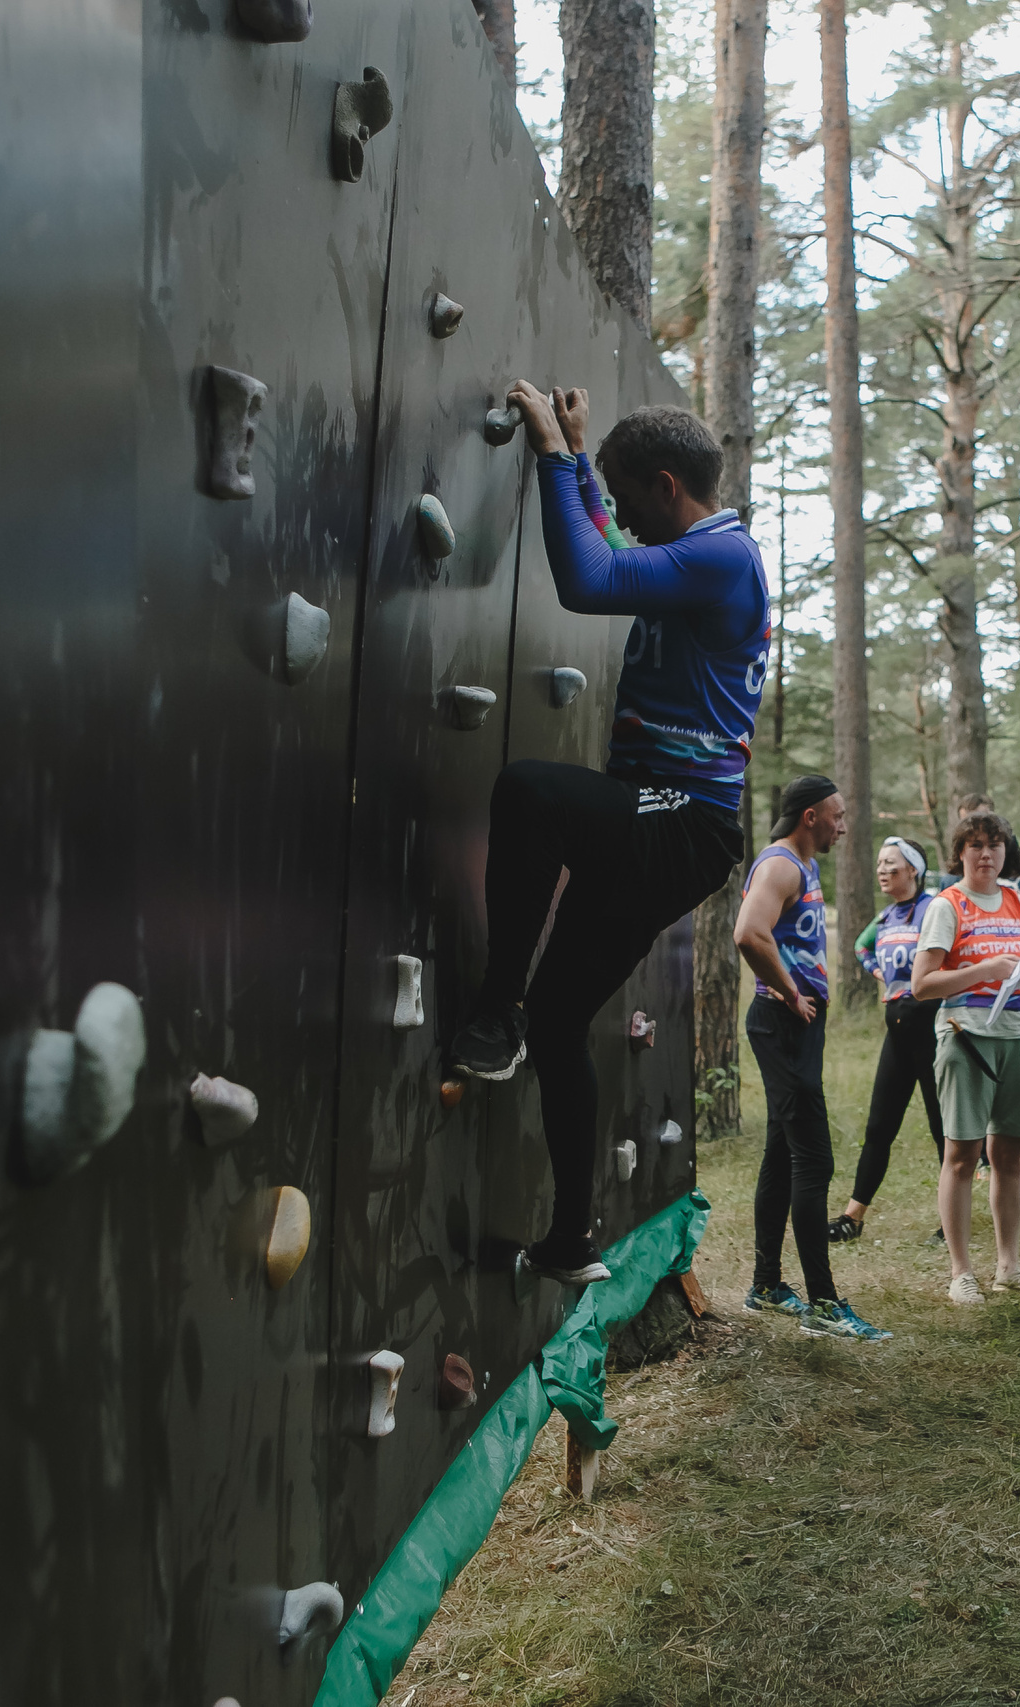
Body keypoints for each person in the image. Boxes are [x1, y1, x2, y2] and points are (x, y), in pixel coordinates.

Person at [443, 384, 762, 1286]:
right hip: (656, 827)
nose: (617, 513)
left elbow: (592, 576)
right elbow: (617, 548)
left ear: (668, 486)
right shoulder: (700, 551)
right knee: (561, 1021)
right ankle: (570, 1241)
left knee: (529, 792)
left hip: (681, 821)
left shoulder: (726, 557)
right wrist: (582, 461)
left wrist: (551, 455)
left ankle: (496, 1005)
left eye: (627, 494)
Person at [733, 777, 891, 1341]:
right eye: (837, 816)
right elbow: (749, 933)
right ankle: (823, 1303)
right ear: (809, 817)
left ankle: (766, 1284)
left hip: (797, 1025)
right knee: (814, 1159)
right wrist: (790, 991)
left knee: (782, 1151)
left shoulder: (803, 863)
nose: (843, 825)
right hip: (782, 1024)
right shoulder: (780, 865)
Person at [912, 810, 1020, 1305]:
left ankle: (1009, 1266)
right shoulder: (946, 905)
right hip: (965, 1035)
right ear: (960, 854)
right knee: (962, 1155)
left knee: (1009, 1156)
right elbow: (922, 985)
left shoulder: (1018, 900)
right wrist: (983, 969)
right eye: (975, 845)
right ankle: (960, 1273)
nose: (986, 854)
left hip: (1019, 1033)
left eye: (994, 845)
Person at [827, 837, 946, 1242]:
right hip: (896, 1034)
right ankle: (853, 1217)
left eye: (891, 864)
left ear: (913, 869)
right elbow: (861, 946)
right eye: (879, 863)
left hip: (932, 1031)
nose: (882, 870)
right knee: (879, 1127)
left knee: (942, 1129)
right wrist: (880, 973)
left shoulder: (934, 908)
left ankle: (952, 1222)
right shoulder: (886, 916)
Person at [955, 793, 1020, 1174]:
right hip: (973, 1006)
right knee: (976, 1081)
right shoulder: (956, 880)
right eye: (971, 835)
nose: (982, 850)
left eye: (990, 836)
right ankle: (979, 1158)